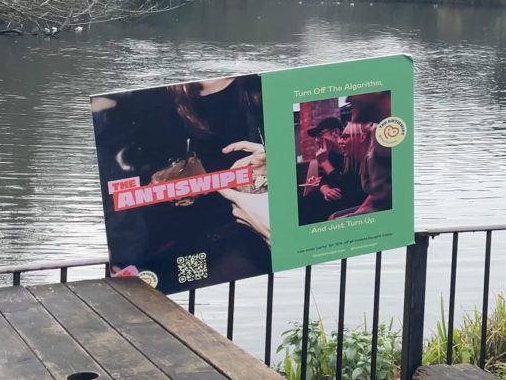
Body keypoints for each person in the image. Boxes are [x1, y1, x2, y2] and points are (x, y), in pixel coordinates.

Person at [91, 74, 271, 293]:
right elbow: (115, 159)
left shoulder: (260, 92)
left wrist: (271, 167)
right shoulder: (149, 97)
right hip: (167, 243)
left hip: (241, 238)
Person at [329, 92, 393, 219]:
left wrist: (351, 217)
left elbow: (382, 201)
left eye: (346, 136)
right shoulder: (366, 159)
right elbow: (374, 196)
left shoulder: (376, 153)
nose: (348, 98)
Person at [299, 116, 364, 223]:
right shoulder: (332, 155)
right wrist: (325, 189)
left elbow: (350, 187)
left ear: (335, 132)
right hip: (334, 198)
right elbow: (324, 178)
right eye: (315, 137)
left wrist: (324, 163)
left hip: (350, 203)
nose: (316, 140)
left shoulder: (354, 153)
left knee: (309, 206)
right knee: (303, 202)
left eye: (320, 135)